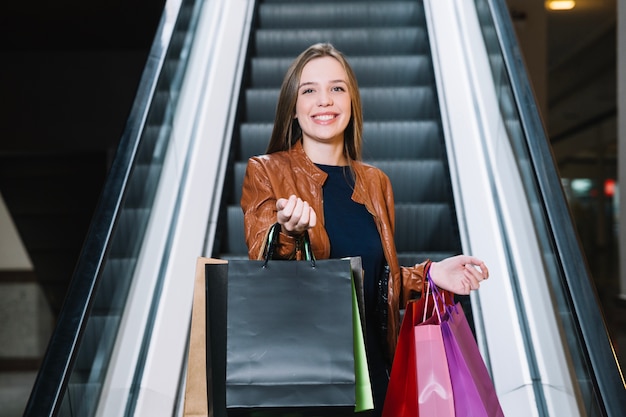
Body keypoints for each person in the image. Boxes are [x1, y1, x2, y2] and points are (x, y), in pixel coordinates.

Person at [240, 42, 489, 415]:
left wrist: (430, 275)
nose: (325, 100)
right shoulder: (267, 172)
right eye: (310, 90)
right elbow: (264, 264)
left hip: (372, 379)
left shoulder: (375, 183)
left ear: (351, 101)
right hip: (303, 383)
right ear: (293, 107)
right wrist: (289, 233)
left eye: (337, 88)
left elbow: (371, 279)